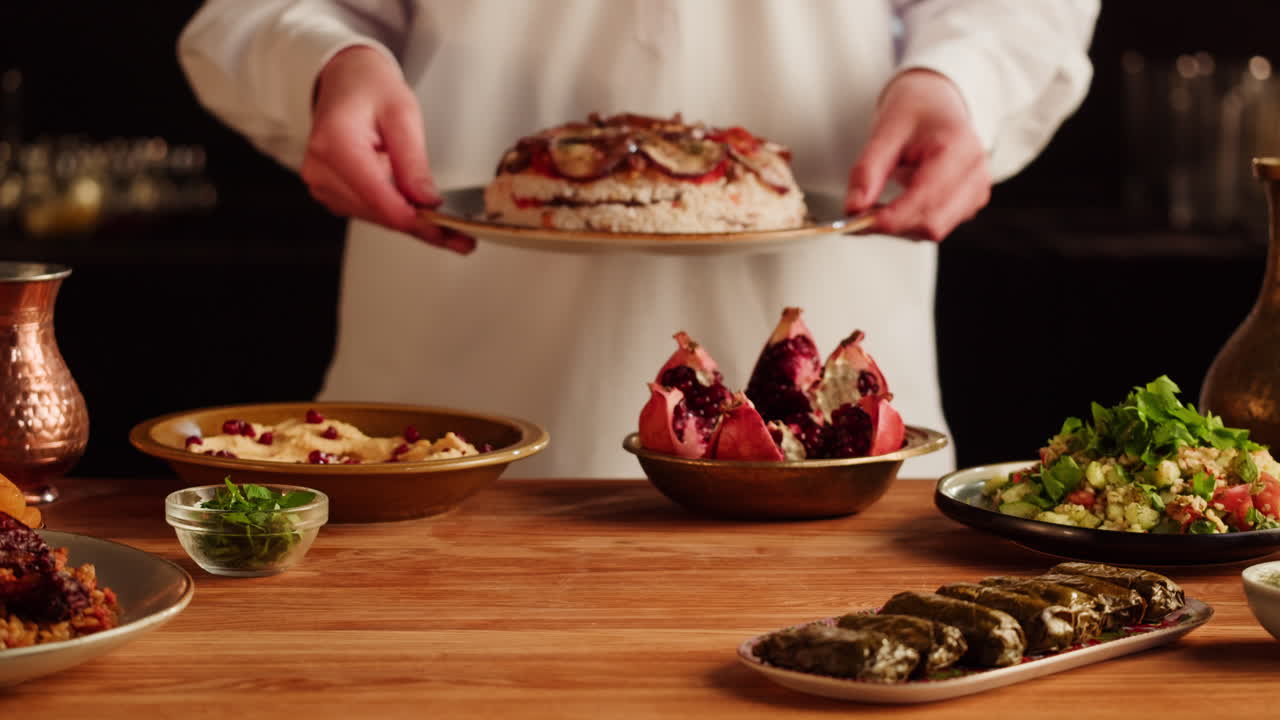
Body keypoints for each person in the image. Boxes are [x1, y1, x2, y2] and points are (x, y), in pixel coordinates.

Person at [178, 0, 1099, 478]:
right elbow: (248, 13)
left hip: (826, 336)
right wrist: (326, 61)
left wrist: (962, 76)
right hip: (455, 359)